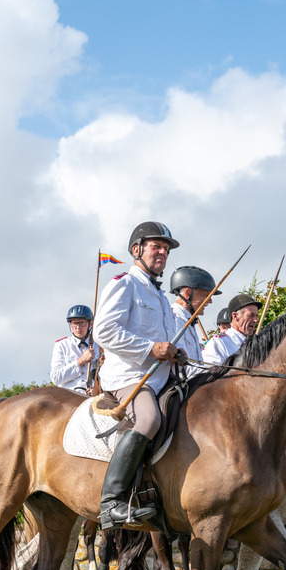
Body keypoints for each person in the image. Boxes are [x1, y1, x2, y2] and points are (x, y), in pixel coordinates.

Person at [93, 221, 181, 529]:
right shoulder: (123, 284)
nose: (162, 253)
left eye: (166, 249)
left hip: (164, 378)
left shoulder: (161, 299)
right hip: (130, 376)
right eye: (156, 246)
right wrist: (151, 348)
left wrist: (175, 353)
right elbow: (103, 331)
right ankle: (112, 502)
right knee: (149, 420)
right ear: (137, 250)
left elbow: (167, 343)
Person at [170, 265, 217, 368]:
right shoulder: (174, 319)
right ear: (188, 293)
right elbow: (185, 368)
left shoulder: (188, 321)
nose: (210, 301)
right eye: (206, 296)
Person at [50, 305, 100, 395]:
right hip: (67, 397)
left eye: (82, 323)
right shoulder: (61, 345)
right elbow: (56, 378)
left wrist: (95, 389)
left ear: (91, 324)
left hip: (93, 396)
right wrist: (81, 361)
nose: (78, 327)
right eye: (74, 324)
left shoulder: (99, 346)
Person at [202, 293, 261, 365]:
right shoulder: (219, 343)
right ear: (235, 316)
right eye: (250, 315)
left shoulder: (255, 346)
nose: (255, 320)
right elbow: (208, 373)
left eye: (256, 316)